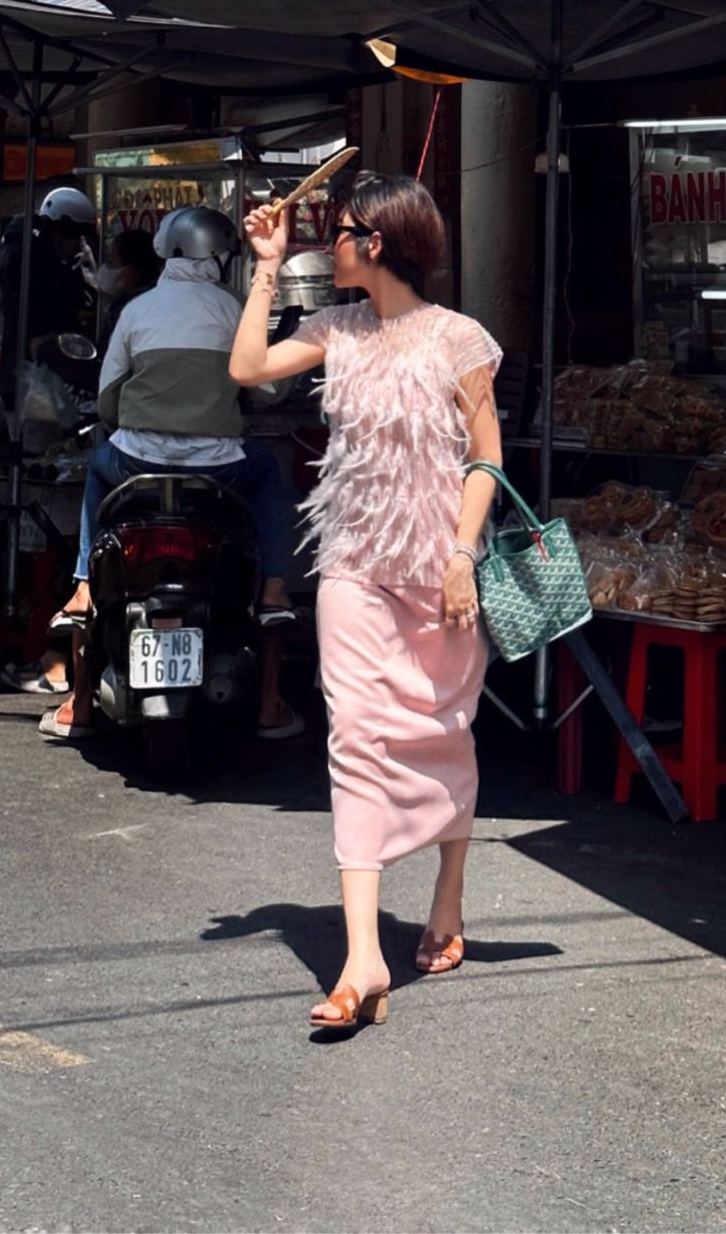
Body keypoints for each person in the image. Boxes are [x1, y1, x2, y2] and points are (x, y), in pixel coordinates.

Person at [230, 171, 503, 1032]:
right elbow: (246, 369)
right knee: (354, 735)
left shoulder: (461, 340)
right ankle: (361, 958)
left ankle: (448, 902)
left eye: (338, 232)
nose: (328, 244)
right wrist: (265, 266)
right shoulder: (333, 327)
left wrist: (462, 556)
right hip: (351, 563)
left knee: (441, 728)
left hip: (440, 571)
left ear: (376, 242)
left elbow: (485, 461)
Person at [41, 203, 299, 742]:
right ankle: (273, 589)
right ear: (220, 256)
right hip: (220, 467)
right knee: (270, 475)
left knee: (96, 473)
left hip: (136, 461)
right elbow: (270, 390)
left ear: (166, 251)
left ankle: (85, 588)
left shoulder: (138, 309)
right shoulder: (235, 307)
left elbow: (109, 399)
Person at [0, 186, 96, 368]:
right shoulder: (27, 260)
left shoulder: (55, 260)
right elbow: (30, 312)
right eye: (72, 234)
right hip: (30, 366)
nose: (74, 244)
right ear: (55, 229)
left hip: (42, 358)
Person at [95, 227, 160, 352]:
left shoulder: (122, 310)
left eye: (111, 263)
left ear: (130, 272)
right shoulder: (162, 300)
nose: (104, 269)